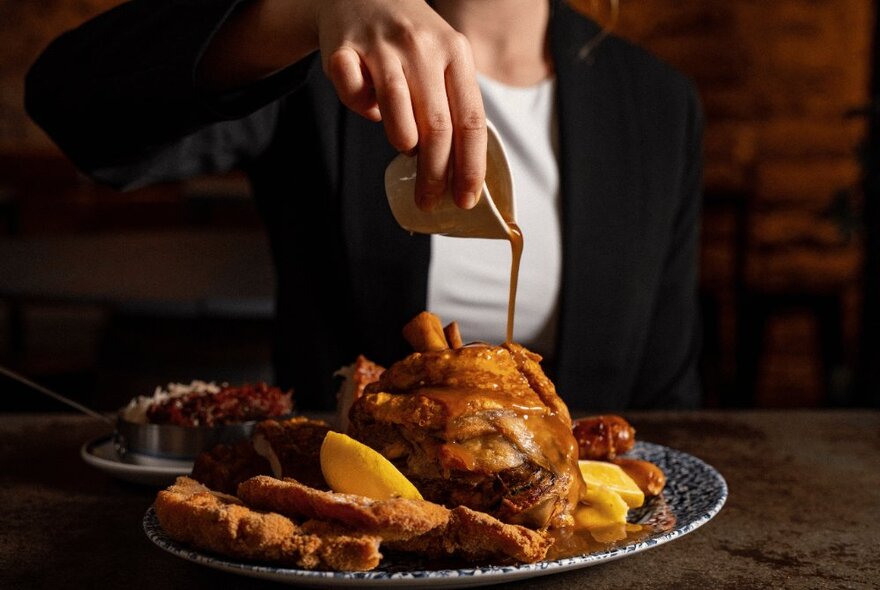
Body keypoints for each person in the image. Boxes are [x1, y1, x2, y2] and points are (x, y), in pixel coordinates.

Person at [25, 0, 703, 411]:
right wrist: (306, 13)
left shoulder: (658, 104)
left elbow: (669, 402)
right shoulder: (326, 53)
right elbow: (73, 108)